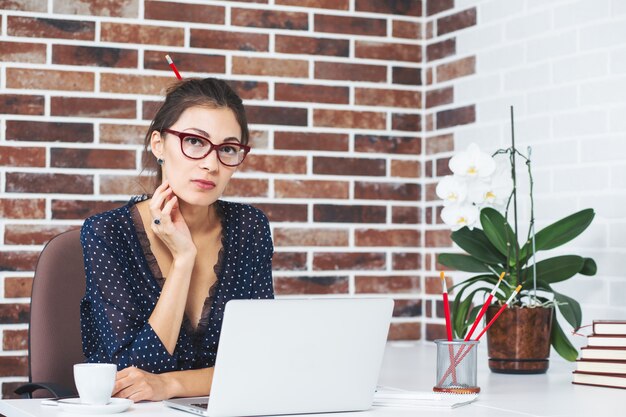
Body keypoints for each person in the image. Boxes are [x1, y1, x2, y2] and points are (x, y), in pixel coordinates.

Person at [79, 78, 274, 402]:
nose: (211, 164)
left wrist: (170, 385)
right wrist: (184, 260)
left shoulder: (249, 228)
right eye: (194, 142)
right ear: (159, 144)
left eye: (227, 149)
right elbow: (130, 377)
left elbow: (258, 364)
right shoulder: (106, 234)